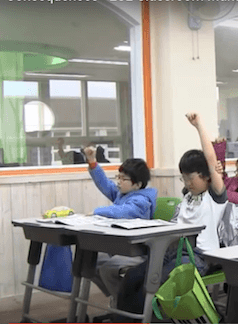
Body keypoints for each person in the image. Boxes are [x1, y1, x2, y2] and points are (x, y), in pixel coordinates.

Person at [83, 146, 157, 303]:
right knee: (89, 263)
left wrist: (97, 211)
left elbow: (122, 211)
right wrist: (92, 163)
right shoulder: (122, 193)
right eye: (119, 177)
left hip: (137, 252)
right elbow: (105, 184)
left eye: (123, 179)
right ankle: (118, 296)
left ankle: (123, 303)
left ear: (137, 184)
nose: (119, 182)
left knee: (107, 269)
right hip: (120, 248)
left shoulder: (142, 201)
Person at [160, 112, 228, 278]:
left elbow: (211, 161)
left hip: (201, 257)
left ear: (206, 176)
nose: (187, 183)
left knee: (160, 277)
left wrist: (198, 126)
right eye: (183, 179)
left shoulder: (215, 196)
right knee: (144, 271)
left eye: (191, 178)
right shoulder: (188, 197)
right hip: (179, 252)